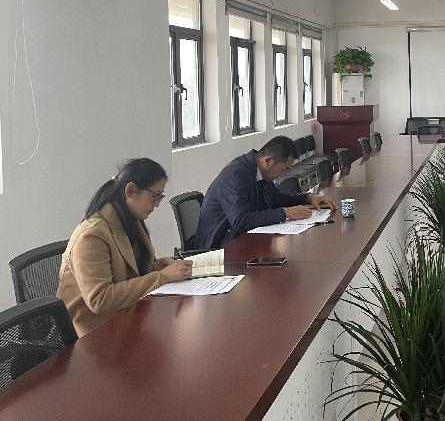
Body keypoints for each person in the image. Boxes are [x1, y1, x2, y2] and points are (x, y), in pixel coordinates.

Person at [57, 159, 192, 336]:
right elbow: (100, 299)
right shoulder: (92, 235)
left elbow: (127, 270)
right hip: (93, 333)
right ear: (130, 190)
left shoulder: (129, 219)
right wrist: (162, 277)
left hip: (128, 316)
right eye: (155, 196)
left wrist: (156, 267)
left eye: (160, 197)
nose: (157, 204)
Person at [194, 136, 336, 250]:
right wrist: (285, 213)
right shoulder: (235, 176)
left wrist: (307, 198)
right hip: (219, 247)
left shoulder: (260, 172)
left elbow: (276, 199)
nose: (283, 174)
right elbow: (240, 221)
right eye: (283, 169)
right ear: (268, 161)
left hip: (243, 238)